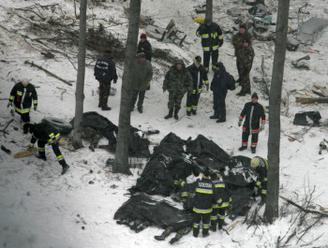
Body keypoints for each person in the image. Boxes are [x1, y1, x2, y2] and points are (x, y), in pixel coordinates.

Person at [192, 168, 215, 237]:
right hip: (207, 208)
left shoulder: (198, 182)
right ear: (209, 176)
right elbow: (214, 195)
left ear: (202, 175)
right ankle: (205, 233)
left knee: (196, 222)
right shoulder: (211, 184)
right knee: (206, 223)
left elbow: (192, 190)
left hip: (197, 207)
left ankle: (195, 234)